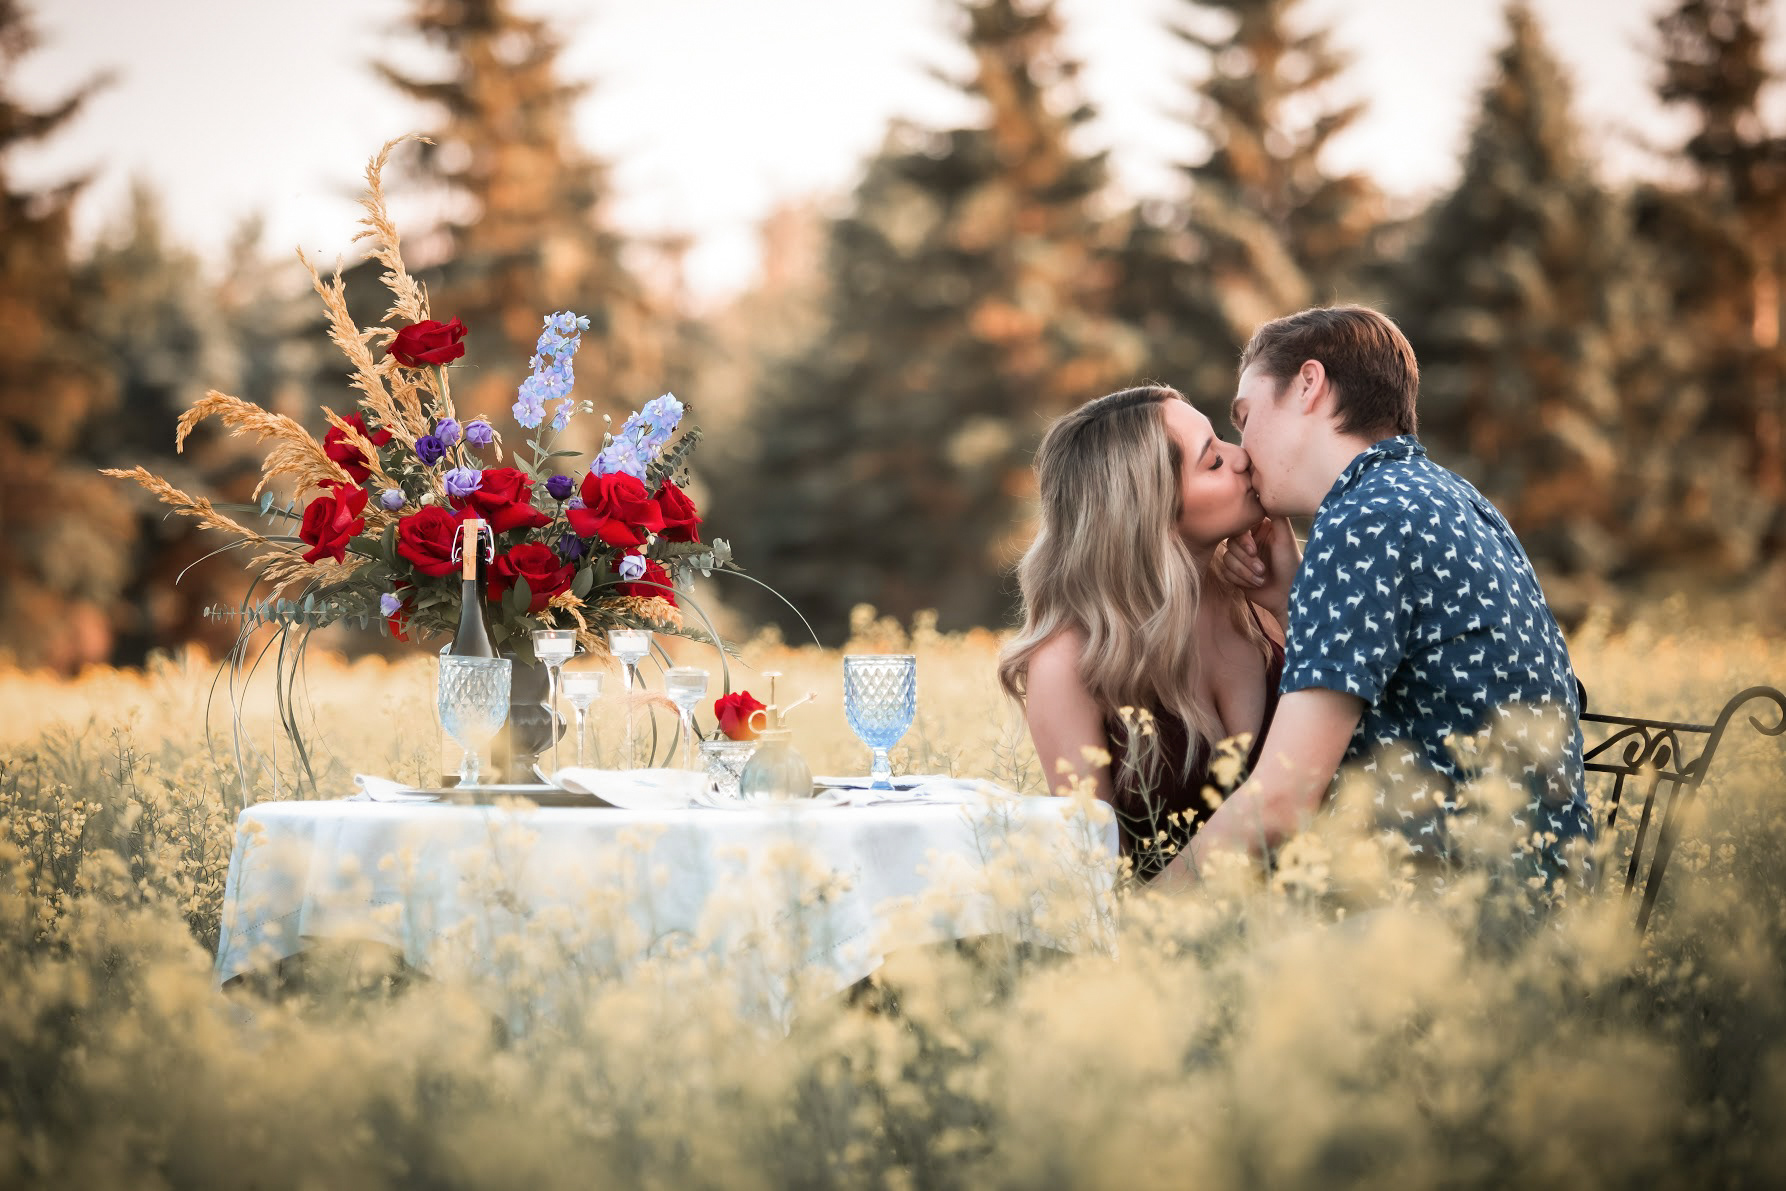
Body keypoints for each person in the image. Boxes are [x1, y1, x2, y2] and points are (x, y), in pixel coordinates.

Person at [1171, 305, 1593, 897]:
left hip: (1452, 910)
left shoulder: (1363, 522)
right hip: (1542, 891)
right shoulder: (1450, 497)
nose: (1241, 451)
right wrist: (1293, 600)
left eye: (1245, 418)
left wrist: (1133, 925)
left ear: (1309, 385)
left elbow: (1280, 802)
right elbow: (1420, 693)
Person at [998, 385, 1301, 881]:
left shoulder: (1263, 600)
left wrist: (1294, 605)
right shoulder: (1068, 663)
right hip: (1173, 927)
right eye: (1214, 461)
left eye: (1222, 440)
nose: (1242, 456)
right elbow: (1097, 882)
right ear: (1150, 513)